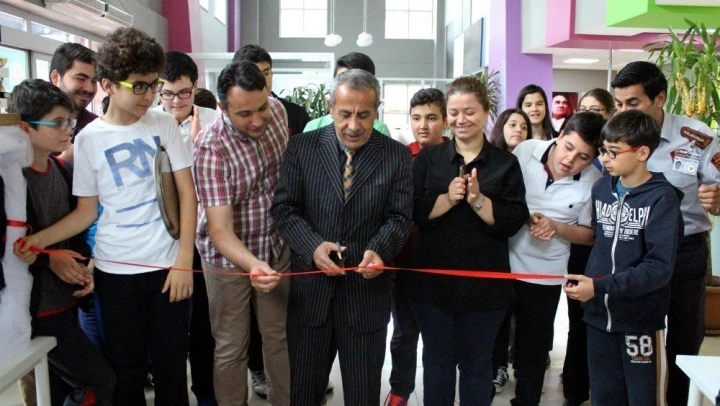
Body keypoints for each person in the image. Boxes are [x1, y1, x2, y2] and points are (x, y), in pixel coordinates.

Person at [15, 27, 197, 406]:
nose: (149, 95)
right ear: (109, 85)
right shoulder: (87, 138)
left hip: (168, 268)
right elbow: (86, 212)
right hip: (115, 273)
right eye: (139, 86)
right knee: (126, 375)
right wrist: (38, 240)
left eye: (154, 85)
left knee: (171, 372)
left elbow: (187, 194)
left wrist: (183, 261)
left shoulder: (163, 124)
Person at [272, 68, 412, 405]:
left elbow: (400, 218)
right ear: (331, 107)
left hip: (365, 298)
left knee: (363, 395)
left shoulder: (395, 155)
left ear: (376, 110)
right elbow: (284, 208)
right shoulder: (301, 148)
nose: (353, 125)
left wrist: (379, 250)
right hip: (311, 297)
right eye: (345, 113)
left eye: (364, 115)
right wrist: (312, 246)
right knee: (304, 394)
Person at [408, 75, 529, 406]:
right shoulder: (429, 159)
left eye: (470, 111)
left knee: (477, 367)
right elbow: (413, 212)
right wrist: (448, 198)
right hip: (432, 288)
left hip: (485, 290)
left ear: (487, 112)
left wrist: (478, 201)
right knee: (437, 363)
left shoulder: (506, 164)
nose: (461, 119)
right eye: (454, 112)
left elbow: (513, 220)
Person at [612, 61, 720, 406]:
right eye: (619, 103)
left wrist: (718, 200)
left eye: (633, 103)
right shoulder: (615, 135)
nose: (624, 112)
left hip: (685, 251)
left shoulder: (696, 137)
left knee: (685, 337)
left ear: (659, 99)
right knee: (637, 336)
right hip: (634, 251)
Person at [565, 110, 683, 406]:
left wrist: (600, 285)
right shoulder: (601, 189)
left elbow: (658, 268)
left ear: (642, 152)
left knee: (643, 398)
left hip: (639, 321)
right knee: (604, 396)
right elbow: (601, 245)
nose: (604, 159)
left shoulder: (662, 199)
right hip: (597, 318)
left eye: (614, 152)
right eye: (603, 150)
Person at [9, 79, 115, 406]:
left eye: (69, 121)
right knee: (99, 383)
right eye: (57, 123)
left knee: (57, 391)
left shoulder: (60, 169)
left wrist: (84, 266)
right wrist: (49, 257)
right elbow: (12, 247)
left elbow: (76, 228)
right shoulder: (11, 181)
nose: (68, 129)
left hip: (64, 302)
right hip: (37, 310)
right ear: (25, 128)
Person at [194, 61, 291, 406]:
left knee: (279, 338)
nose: (258, 120)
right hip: (227, 258)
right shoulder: (210, 148)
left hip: (275, 243)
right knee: (231, 346)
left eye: (261, 107)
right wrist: (252, 265)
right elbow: (220, 230)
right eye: (245, 114)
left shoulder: (276, 111)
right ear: (223, 108)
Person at [509, 112, 604, 406]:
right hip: (503, 263)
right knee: (493, 338)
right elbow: (504, 196)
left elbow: (589, 235)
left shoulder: (594, 182)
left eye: (583, 157)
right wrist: (524, 216)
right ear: (559, 136)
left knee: (534, 348)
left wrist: (557, 227)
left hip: (545, 273)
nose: (570, 160)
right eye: (568, 147)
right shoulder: (525, 151)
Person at [154, 50, 218, 406]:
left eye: (184, 93)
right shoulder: (148, 121)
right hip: (164, 238)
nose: (176, 101)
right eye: (168, 93)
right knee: (171, 325)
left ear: (195, 87)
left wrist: (198, 143)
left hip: (207, 236)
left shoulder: (213, 121)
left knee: (206, 325)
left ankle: (206, 392)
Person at [387, 87, 449, 406]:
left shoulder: (458, 158)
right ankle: (400, 390)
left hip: (446, 264)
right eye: (416, 118)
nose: (423, 125)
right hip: (405, 260)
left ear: (445, 120)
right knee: (404, 333)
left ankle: (440, 393)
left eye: (431, 118)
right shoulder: (400, 157)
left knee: (441, 337)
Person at [562, 87, 616, 406]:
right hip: (581, 255)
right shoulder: (574, 158)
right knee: (578, 323)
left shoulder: (612, 160)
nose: (589, 116)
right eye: (583, 109)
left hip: (614, 257)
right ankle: (575, 389)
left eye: (596, 111)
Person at [303, 52, 392, 137]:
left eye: (357, 80)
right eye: (341, 79)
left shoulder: (379, 129)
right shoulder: (313, 127)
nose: (353, 127)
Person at [233, 44, 310, 136]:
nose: (262, 80)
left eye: (266, 73)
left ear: (272, 75)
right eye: (254, 74)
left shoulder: (295, 114)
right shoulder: (231, 117)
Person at [49, 43, 98, 163]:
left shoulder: (96, 126)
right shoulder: (34, 125)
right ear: (55, 77)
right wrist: (63, 161)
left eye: (94, 81)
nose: (89, 88)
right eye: (81, 79)